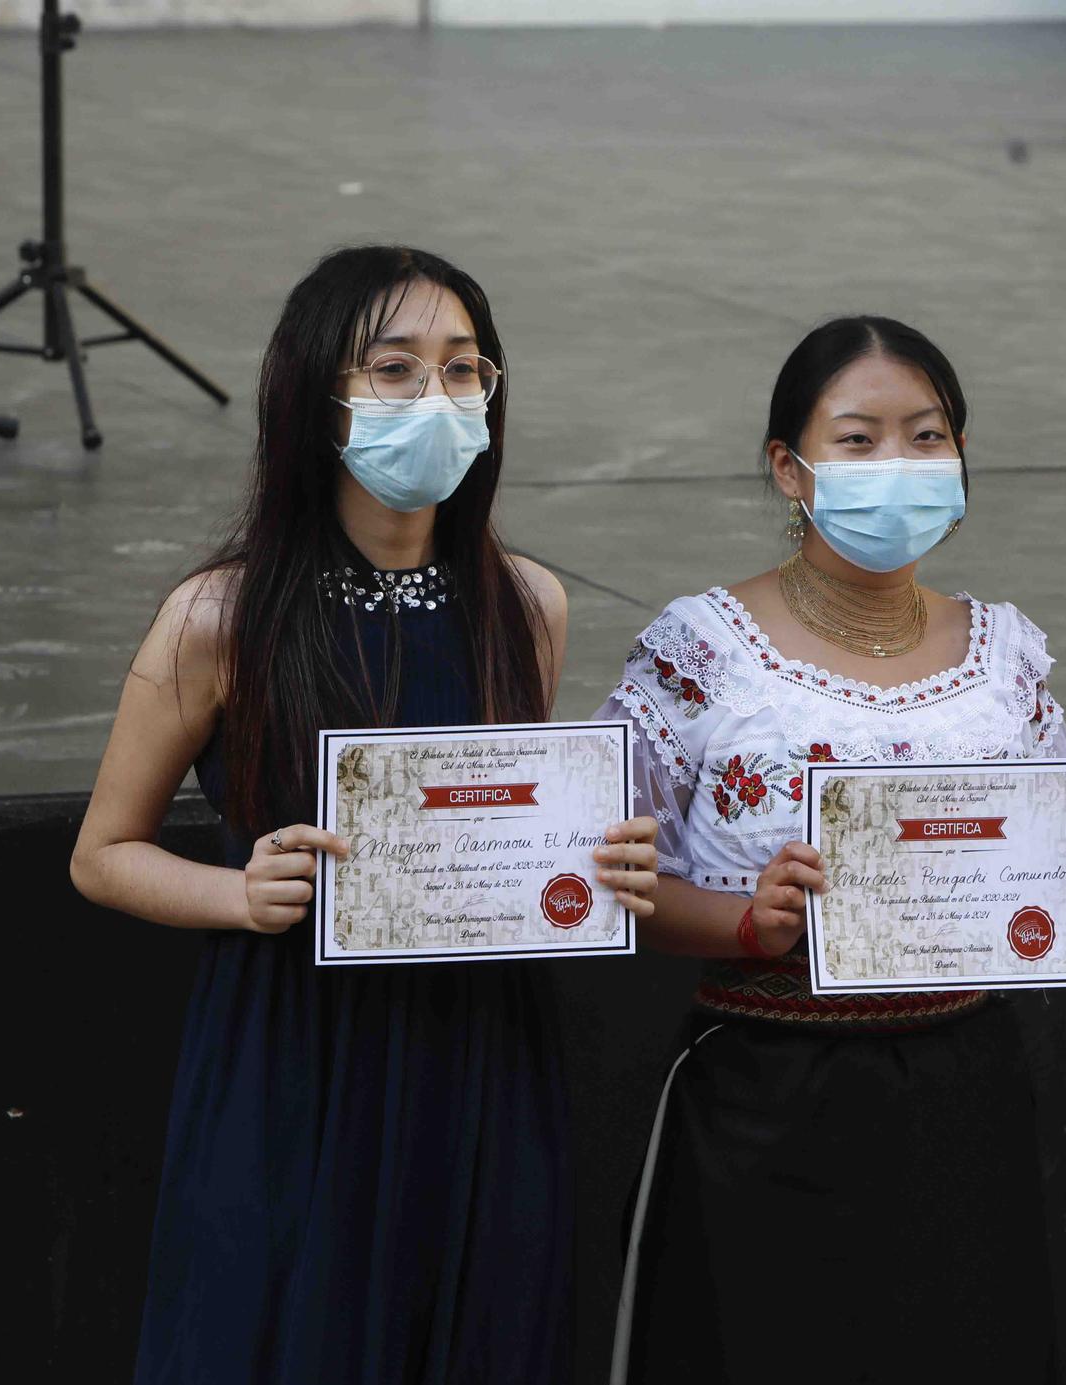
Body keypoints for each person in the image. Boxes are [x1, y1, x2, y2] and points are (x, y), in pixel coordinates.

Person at [69, 245, 659, 1385]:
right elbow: (105, 852)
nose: (434, 399)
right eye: (393, 369)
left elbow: (501, 820)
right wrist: (236, 893)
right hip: (295, 1049)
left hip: (480, 1049)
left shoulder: (526, 601)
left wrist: (596, 860)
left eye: (462, 369)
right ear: (314, 396)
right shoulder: (218, 616)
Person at [599, 315, 1066, 1384]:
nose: (898, 463)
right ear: (786, 468)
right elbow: (600, 874)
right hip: (766, 1094)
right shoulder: (702, 650)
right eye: (858, 439)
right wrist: (745, 917)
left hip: (962, 1087)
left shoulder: (1004, 656)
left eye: (927, 435)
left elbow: (1033, 889)